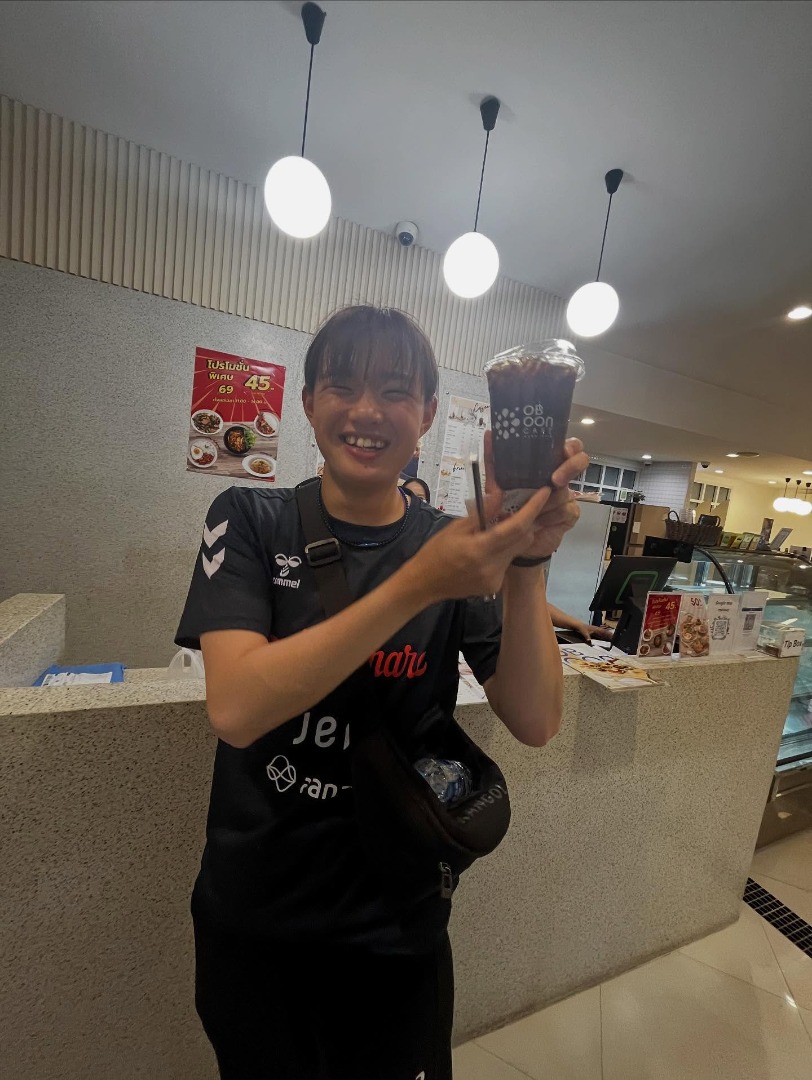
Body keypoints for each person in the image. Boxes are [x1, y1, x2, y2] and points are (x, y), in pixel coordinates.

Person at [175, 304, 588, 1080]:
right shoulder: (250, 517)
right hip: (256, 920)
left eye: (396, 391)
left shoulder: (453, 544)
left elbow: (534, 719)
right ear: (308, 403)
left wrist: (529, 564)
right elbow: (236, 709)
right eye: (343, 386)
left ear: (427, 414)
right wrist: (417, 585)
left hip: (396, 927)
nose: (367, 411)